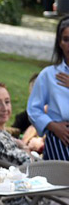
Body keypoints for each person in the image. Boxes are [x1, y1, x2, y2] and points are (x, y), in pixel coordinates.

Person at [28, 16, 69, 162]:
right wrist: (52, 126)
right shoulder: (49, 75)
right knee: (59, 181)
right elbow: (33, 109)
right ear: (60, 43)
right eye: (66, 39)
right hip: (59, 139)